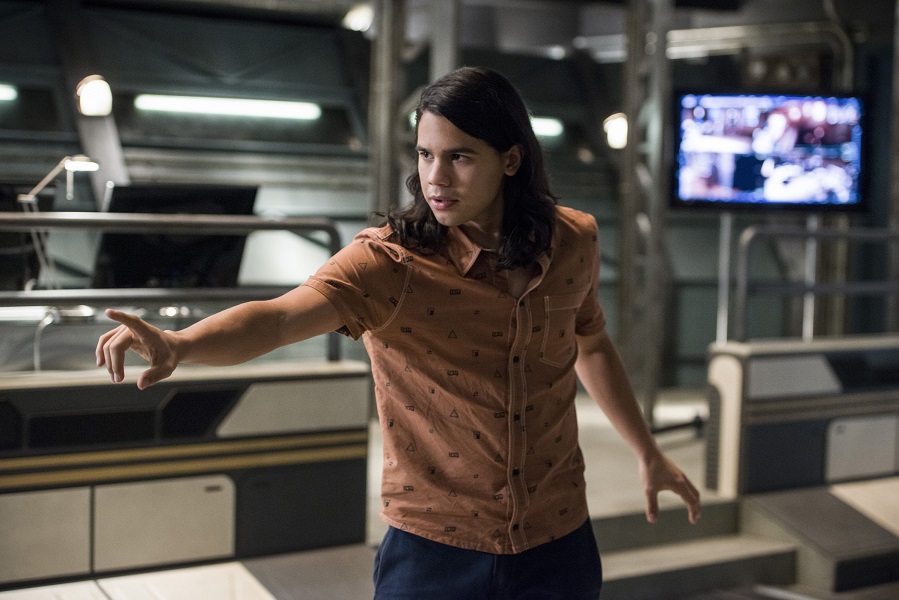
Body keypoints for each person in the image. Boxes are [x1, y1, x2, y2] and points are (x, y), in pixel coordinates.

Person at [97, 66, 701, 600]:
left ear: (511, 160)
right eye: (424, 154)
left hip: (558, 540)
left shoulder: (574, 240)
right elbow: (280, 317)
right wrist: (181, 344)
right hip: (436, 552)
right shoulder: (389, 265)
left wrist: (646, 451)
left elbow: (590, 343)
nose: (436, 177)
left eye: (460, 157)